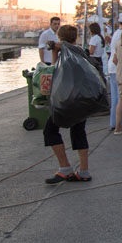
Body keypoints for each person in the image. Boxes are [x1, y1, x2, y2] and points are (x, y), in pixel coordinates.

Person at [43, 24, 93, 184]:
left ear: (60, 38)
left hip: (68, 99)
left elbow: (55, 71)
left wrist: (54, 49)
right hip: (83, 98)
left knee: (50, 129)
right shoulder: (80, 51)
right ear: (75, 36)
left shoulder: (65, 50)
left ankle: (65, 168)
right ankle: (84, 171)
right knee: (78, 131)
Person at [107, 21, 122, 130]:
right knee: (121, 98)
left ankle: (115, 122)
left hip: (113, 68)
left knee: (117, 97)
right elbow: (117, 56)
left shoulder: (116, 33)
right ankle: (121, 123)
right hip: (117, 68)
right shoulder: (121, 35)